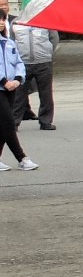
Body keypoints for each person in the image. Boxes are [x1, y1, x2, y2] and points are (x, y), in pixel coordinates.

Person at [0, 25, 33, 171]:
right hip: (2, 87)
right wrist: (4, 82)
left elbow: (19, 62)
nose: (1, 22)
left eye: (3, 19)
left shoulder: (9, 42)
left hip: (11, 88)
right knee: (8, 122)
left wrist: (18, 79)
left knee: (3, 126)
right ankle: (22, 158)